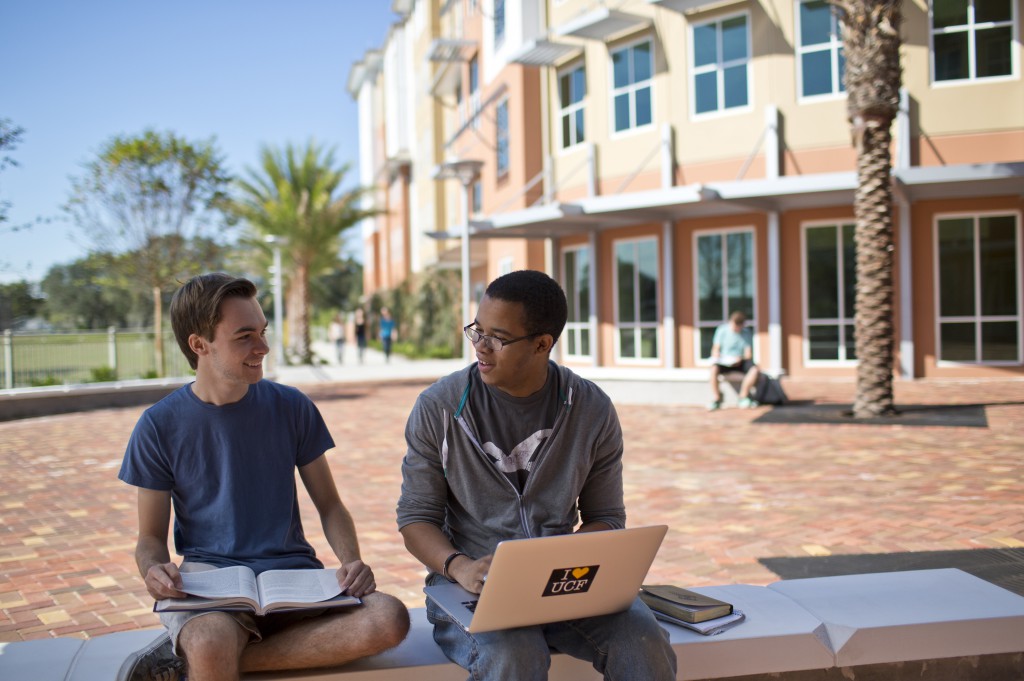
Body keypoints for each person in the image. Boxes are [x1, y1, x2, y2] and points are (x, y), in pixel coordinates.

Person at [117, 273, 409, 681]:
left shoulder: (291, 406)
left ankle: (192, 662)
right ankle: (204, 653)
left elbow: (330, 505)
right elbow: (150, 538)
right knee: (209, 641)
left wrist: (351, 560)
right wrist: (154, 570)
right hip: (211, 585)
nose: (263, 347)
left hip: (294, 580)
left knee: (389, 617)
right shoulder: (158, 426)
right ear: (199, 345)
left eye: (263, 331)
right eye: (245, 336)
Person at [397, 270, 677, 681]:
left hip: (565, 584)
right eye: (477, 330)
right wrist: (459, 567)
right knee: (515, 652)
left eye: (499, 337)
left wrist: (567, 567)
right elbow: (415, 517)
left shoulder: (591, 408)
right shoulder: (438, 408)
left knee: (643, 641)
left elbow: (606, 516)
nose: (480, 346)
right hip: (466, 586)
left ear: (542, 343)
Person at [708, 310, 761, 411]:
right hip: (724, 361)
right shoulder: (722, 330)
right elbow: (715, 350)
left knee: (755, 369)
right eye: (734, 325)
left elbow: (748, 354)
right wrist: (719, 356)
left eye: (739, 326)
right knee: (713, 368)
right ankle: (717, 398)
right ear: (730, 322)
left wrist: (739, 359)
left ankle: (743, 397)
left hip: (740, 361)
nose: (736, 328)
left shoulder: (746, 333)